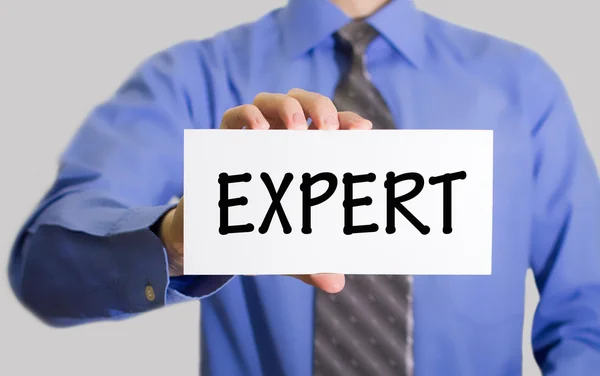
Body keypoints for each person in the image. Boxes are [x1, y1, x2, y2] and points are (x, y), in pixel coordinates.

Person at [8, 0, 600, 375]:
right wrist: (184, 237)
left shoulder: (523, 85)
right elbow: (42, 272)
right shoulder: (189, 77)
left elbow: (588, 311)